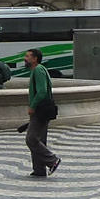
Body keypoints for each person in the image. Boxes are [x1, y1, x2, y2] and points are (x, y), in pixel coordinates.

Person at [23, 48, 60, 177]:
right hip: (44, 109)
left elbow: (42, 91)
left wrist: (32, 106)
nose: (25, 58)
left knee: (31, 139)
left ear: (35, 59)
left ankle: (52, 160)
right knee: (40, 139)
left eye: (28, 56)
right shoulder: (40, 69)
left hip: (40, 109)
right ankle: (39, 169)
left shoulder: (38, 70)